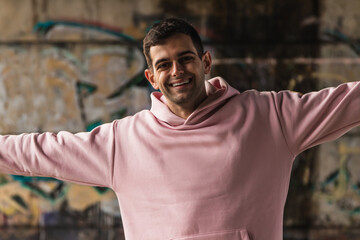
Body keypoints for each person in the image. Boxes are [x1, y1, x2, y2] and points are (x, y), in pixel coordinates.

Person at [0, 17, 359, 240]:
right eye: (164, 64)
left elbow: (348, 101)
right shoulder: (122, 143)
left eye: (186, 58)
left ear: (204, 61)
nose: (177, 71)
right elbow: (39, 150)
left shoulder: (271, 117)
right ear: (151, 77)